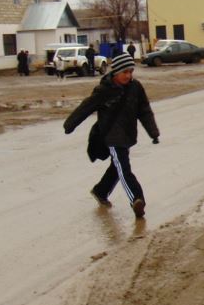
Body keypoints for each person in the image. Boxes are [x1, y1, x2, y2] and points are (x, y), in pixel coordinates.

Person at [64, 53, 160, 218]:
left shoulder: (136, 87)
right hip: (111, 136)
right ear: (116, 72)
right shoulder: (104, 90)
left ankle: (101, 191)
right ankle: (137, 199)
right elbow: (86, 107)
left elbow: (144, 111)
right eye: (125, 72)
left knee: (118, 166)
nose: (128, 76)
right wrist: (70, 124)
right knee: (124, 168)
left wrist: (153, 132)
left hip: (128, 134)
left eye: (131, 72)